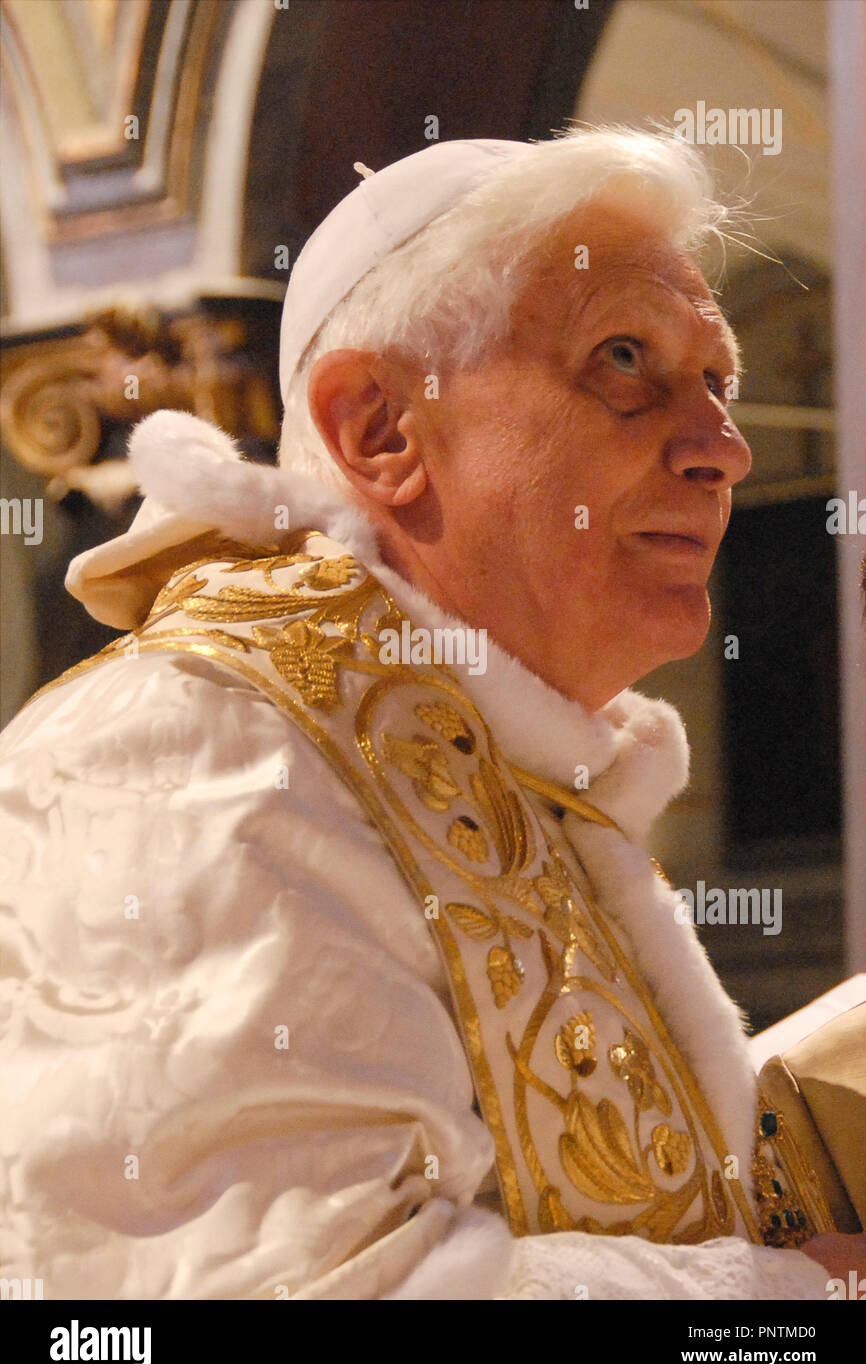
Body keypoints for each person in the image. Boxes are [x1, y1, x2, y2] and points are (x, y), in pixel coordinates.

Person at [0, 128, 860, 1300]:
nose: (720, 445)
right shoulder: (185, 746)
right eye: (623, 357)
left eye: (717, 380)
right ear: (379, 430)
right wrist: (793, 1304)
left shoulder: (500, 766)